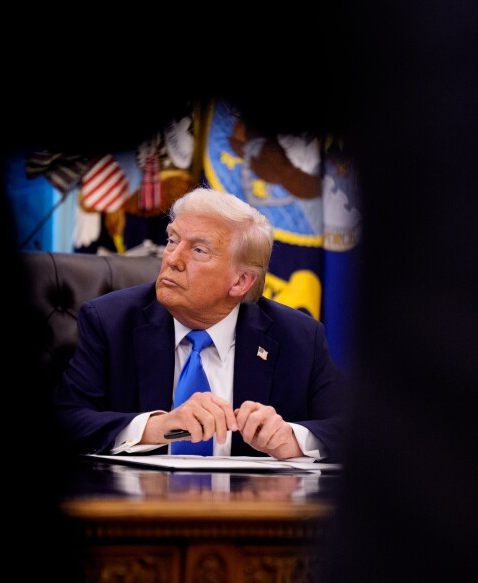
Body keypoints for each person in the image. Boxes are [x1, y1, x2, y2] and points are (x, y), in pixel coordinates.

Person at [54, 186, 349, 462]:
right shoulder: (110, 321)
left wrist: (293, 438)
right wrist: (158, 426)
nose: (172, 258)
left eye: (198, 250)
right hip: (136, 510)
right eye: (172, 240)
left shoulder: (298, 338)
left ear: (241, 281)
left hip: (253, 512)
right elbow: (63, 420)